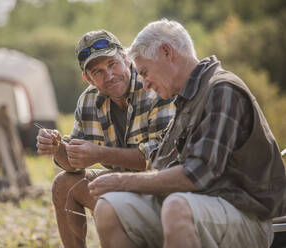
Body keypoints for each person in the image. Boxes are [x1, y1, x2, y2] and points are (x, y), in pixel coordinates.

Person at [88, 19, 286, 248]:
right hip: (197, 205)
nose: (145, 83)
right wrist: (100, 173)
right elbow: (158, 161)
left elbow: (197, 174)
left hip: (248, 216)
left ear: (166, 52)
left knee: (177, 208)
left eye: (144, 72)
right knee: (109, 208)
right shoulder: (186, 99)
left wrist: (121, 181)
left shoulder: (222, 89)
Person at [36, 30, 175, 247]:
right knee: (64, 183)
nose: (108, 75)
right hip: (120, 184)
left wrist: (99, 154)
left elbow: (160, 156)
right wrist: (58, 149)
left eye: (113, 64)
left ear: (126, 59)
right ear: (87, 78)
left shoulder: (153, 86)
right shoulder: (88, 100)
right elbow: (72, 165)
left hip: (161, 189)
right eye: (97, 71)